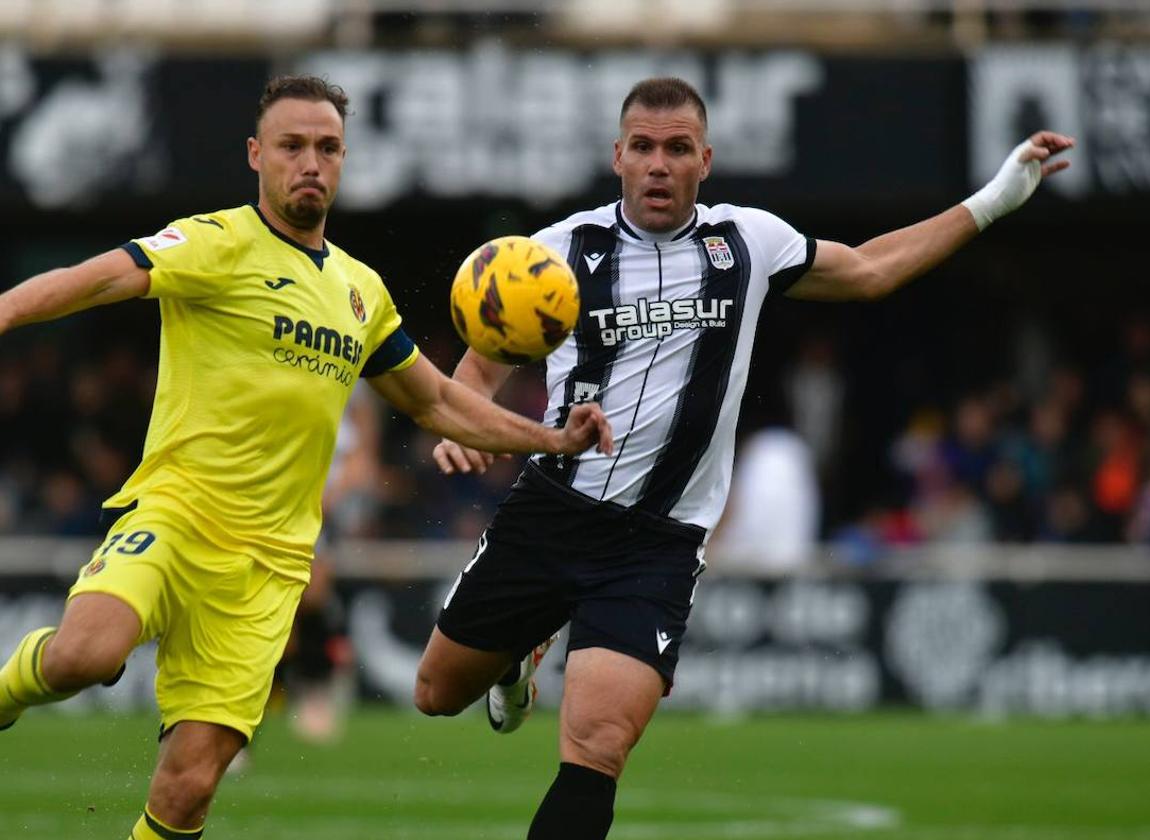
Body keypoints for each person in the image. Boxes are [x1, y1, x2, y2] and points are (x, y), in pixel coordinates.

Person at [412, 76, 1072, 840]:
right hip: (552, 512)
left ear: (706, 160)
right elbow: (480, 366)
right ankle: (518, 653)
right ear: (617, 156)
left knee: (596, 746)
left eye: (678, 149)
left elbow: (870, 270)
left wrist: (997, 195)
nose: (659, 165)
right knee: (435, 694)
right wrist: (467, 424)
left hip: (656, 544)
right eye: (644, 148)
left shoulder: (746, 243)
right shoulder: (556, 252)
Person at [0, 75, 612, 840]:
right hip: (177, 515)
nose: (310, 163)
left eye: (326, 148)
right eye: (291, 146)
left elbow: (435, 402)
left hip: (270, 566)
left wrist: (552, 439)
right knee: (83, 658)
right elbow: (92, 281)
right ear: (258, 155)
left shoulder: (361, 293)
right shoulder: (216, 243)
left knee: (186, 790)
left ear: (345, 159)